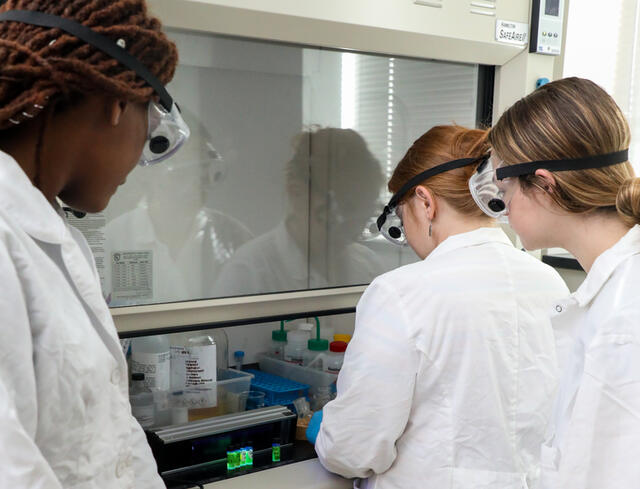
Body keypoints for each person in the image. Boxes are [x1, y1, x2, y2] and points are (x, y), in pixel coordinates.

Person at [308, 125, 569, 489]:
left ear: (425, 202)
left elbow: (354, 450)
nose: (407, 235)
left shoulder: (401, 293)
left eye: (402, 215)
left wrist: (325, 433)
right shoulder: (549, 282)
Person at [0, 1, 187, 487]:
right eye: (149, 124)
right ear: (118, 103)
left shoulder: (58, 239)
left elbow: (113, 435)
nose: (137, 163)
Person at [474, 77, 640, 489]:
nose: (502, 207)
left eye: (505, 188)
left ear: (545, 185)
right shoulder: (616, 289)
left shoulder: (623, 320)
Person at [213, 127, 385, 297]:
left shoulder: (370, 266)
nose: (354, 225)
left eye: (367, 208)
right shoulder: (248, 274)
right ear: (296, 192)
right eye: (344, 208)